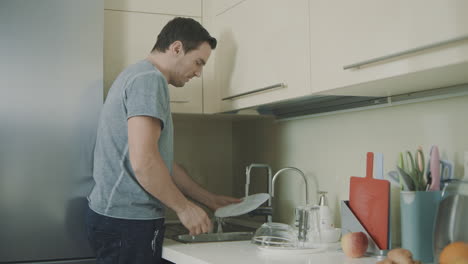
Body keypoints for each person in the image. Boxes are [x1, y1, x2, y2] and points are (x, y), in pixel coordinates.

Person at [86, 17, 240, 264]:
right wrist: (185, 208)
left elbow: (158, 162)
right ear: (177, 48)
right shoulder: (149, 80)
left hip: (117, 220)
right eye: (198, 62)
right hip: (128, 222)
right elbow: (145, 163)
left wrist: (208, 200)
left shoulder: (138, 76)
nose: (199, 73)